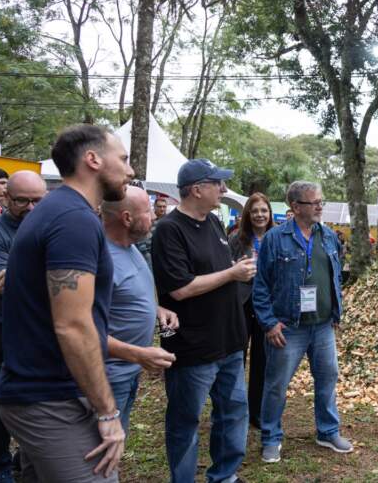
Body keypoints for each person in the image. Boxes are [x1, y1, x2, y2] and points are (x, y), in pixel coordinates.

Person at [0, 124, 133, 482]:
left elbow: (51, 317)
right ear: (93, 160)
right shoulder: (73, 220)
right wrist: (107, 413)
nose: (130, 171)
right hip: (50, 399)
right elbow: (72, 325)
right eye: (123, 159)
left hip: (43, 392)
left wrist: (136, 354)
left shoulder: (62, 210)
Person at [151, 159, 254, 483]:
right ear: (197, 189)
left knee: (234, 412)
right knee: (185, 420)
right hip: (191, 346)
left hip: (229, 342)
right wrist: (232, 273)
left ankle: (224, 475)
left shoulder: (212, 222)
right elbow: (179, 289)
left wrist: (235, 271)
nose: (223, 190)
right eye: (217, 184)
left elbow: (215, 272)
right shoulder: (168, 229)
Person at [254, 181, 352, 463]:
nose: (321, 206)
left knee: (328, 377)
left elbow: (334, 277)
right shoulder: (275, 238)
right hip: (288, 326)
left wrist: (336, 311)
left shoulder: (329, 236)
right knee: (276, 384)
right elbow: (261, 286)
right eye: (314, 202)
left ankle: (328, 431)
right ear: (296, 207)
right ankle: (271, 438)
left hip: (322, 326)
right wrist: (269, 323)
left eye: (322, 200)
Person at [102, 186, 178, 433]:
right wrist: (139, 355)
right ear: (127, 218)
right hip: (108, 377)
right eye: (148, 210)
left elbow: (123, 295)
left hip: (130, 371)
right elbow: (82, 331)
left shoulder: (131, 247)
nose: (155, 216)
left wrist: (156, 309)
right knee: (99, 451)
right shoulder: (101, 259)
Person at [0, 170, 46, 483]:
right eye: (22, 200)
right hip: (0, 327)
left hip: (40, 330)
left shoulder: (50, 228)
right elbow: (1, 282)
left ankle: (25, 460)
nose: (31, 208)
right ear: (6, 198)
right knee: (0, 395)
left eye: (38, 200)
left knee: (37, 398)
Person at [228, 192, 275, 431]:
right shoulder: (237, 238)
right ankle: (233, 411)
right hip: (241, 303)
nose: (259, 215)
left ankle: (257, 412)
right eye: (255, 211)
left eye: (263, 211)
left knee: (262, 360)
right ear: (248, 213)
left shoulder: (276, 238)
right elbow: (225, 268)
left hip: (267, 305)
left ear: (269, 214)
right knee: (237, 357)